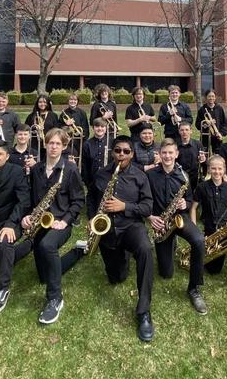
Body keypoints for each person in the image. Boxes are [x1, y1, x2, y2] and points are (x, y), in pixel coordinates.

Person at [94, 136, 155, 342]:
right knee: (116, 278)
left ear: (132, 153)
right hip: (107, 230)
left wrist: (125, 207)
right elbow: (92, 200)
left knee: (145, 249)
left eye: (126, 151)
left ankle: (144, 311)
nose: (122, 154)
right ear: (112, 152)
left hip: (131, 226)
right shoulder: (101, 175)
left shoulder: (140, 176)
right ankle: (122, 259)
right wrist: (92, 218)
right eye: (118, 151)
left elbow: (147, 207)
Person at [23, 128, 85, 324]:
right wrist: (27, 215)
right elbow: (31, 199)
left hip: (60, 222)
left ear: (64, 146)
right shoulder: (37, 169)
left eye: (58, 144)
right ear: (45, 144)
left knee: (47, 246)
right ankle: (77, 252)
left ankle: (55, 298)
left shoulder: (70, 170)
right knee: (44, 274)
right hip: (40, 221)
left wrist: (65, 220)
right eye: (51, 143)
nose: (54, 147)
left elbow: (78, 200)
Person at [147, 139, 207, 315]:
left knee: (198, 241)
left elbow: (189, 200)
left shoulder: (183, 176)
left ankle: (194, 288)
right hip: (161, 222)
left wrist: (185, 204)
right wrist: (150, 217)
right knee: (166, 273)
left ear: (176, 154)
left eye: (170, 152)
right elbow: (143, 200)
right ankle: (170, 243)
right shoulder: (150, 175)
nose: (167, 156)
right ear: (159, 154)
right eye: (164, 152)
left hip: (179, 219)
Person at [0, 140, 32, 315]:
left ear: (7, 156)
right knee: (3, 259)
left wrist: (10, 225)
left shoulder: (16, 172)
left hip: (12, 220)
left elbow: (23, 201)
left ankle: (2, 289)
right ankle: (29, 245)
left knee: (4, 244)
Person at [190, 155, 227, 274]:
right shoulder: (201, 187)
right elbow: (193, 208)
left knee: (215, 270)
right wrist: (194, 229)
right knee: (208, 264)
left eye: (219, 169)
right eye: (213, 168)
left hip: (225, 229)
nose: (217, 171)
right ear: (208, 169)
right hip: (209, 229)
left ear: (224, 170)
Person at [81, 118, 109, 216]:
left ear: (106, 128)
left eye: (102, 126)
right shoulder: (87, 144)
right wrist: (88, 182)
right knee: (92, 212)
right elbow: (84, 165)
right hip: (93, 180)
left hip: (108, 180)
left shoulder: (111, 142)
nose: (100, 129)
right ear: (93, 128)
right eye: (97, 126)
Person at [176, 122, 206, 192]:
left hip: (194, 177)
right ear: (179, 131)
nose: (184, 132)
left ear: (191, 131)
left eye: (187, 130)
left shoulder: (198, 144)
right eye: (182, 130)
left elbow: (204, 163)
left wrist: (204, 160)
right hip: (179, 177)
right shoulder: (175, 145)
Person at [194, 89, 226, 154]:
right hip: (205, 137)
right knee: (204, 155)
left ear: (215, 97)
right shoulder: (202, 110)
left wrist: (221, 133)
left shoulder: (219, 109)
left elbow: (224, 123)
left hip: (217, 137)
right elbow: (197, 125)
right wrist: (206, 123)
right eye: (209, 96)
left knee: (218, 155)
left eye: (213, 96)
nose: (211, 98)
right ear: (206, 97)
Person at [59, 92, 89, 160]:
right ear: (68, 101)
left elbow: (85, 127)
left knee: (79, 157)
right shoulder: (64, 113)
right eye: (71, 100)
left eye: (75, 100)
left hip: (79, 140)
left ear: (77, 101)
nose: (73, 101)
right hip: (67, 140)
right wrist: (66, 124)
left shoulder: (82, 113)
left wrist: (84, 138)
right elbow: (59, 127)